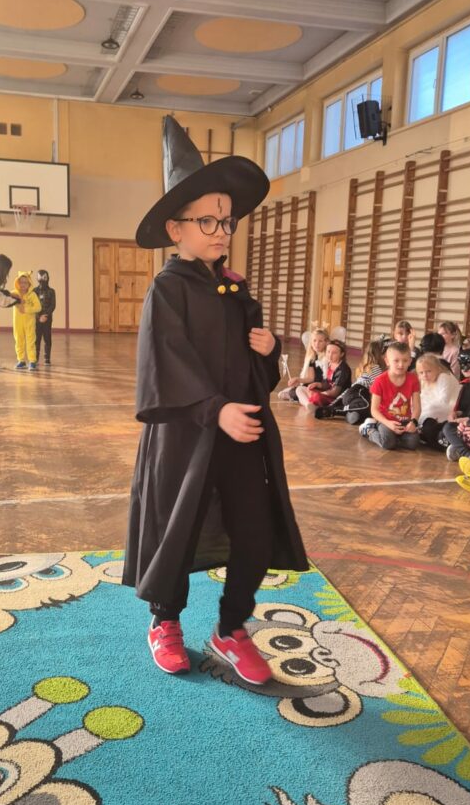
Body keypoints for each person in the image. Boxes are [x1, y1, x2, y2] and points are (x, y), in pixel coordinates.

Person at [122, 115, 308, 683]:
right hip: (186, 439)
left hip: (241, 435)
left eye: (226, 221)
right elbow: (165, 364)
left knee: (255, 531)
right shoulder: (167, 289)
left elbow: (255, 372)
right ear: (175, 229)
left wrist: (268, 351)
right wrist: (213, 409)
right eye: (207, 220)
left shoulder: (236, 290)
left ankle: (230, 628)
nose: (222, 231)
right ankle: (165, 621)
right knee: (176, 529)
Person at [360, 341, 421, 450]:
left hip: (404, 421)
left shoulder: (413, 379)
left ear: (410, 361)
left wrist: (414, 422)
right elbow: (374, 410)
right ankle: (369, 430)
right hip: (385, 420)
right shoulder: (379, 381)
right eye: (396, 361)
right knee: (388, 443)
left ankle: (394, 438)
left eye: (405, 360)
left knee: (413, 443)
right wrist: (388, 423)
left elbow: (417, 406)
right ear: (387, 361)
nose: (401, 365)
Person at [318, 339, 386, 424]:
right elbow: (377, 391)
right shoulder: (376, 368)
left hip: (352, 395)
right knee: (369, 407)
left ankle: (351, 414)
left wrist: (332, 405)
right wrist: (331, 407)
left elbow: (350, 389)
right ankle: (336, 411)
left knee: (365, 413)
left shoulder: (367, 368)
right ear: (381, 355)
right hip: (358, 392)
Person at [416, 353, 460, 449]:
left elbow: (444, 401)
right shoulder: (424, 380)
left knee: (427, 410)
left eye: (428, 371)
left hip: (449, 410)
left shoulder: (444, 377)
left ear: (437, 368)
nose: (425, 375)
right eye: (421, 373)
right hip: (434, 412)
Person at [277, 327, 328, 401]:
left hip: (322, 386)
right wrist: (298, 380)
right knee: (282, 394)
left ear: (326, 342)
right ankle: (300, 394)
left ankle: (304, 398)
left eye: (320, 341)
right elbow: (311, 378)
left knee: (293, 393)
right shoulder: (312, 358)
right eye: (314, 340)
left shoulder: (327, 357)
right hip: (311, 385)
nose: (317, 344)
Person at [299, 339, 352, 410]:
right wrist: (317, 384)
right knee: (300, 389)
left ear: (341, 354)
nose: (330, 355)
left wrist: (320, 393)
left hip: (336, 398)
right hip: (327, 393)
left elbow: (335, 392)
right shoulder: (329, 364)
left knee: (316, 397)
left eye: (334, 353)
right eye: (328, 352)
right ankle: (308, 404)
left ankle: (310, 403)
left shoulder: (343, 369)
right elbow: (327, 384)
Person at [13, 271, 41, 371]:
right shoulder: (14, 294)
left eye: (25, 282)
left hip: (29, 323)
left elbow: (38, 307)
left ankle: (32, 361)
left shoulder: (32, 295)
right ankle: (21, 360)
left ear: (29, 284)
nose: (23, 284)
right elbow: (6, 299)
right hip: (17, 323)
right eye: (21, 282)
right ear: (17, 283)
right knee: (18, 340)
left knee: (30, 341)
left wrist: (26, 309)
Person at [34, 269, 57, 366]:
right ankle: (35, 358)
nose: (42, 280)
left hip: (47, 319)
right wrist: (39, 316)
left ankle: (47, 358)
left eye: (44, 278)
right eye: (40, 278)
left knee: (47, 338)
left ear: (47, 278)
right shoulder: (34, 291)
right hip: (36, 319)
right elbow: (32, 305)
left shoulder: (51, 291)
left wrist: (46, 315)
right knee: (36, 339)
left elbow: (53, 305)